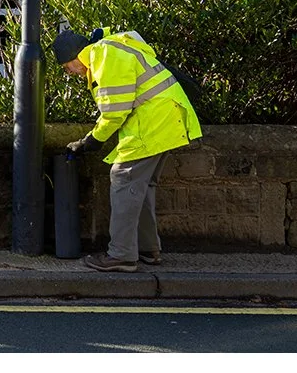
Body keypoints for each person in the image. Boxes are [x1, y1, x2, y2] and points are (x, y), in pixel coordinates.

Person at [52, 24, 202, 272]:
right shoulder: (112, 49)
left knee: (123, 178)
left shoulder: (104, 56)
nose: (71, 73)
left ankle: (121, 254)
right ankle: (147, 249)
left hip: (153, 124)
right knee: (141, 187)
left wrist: (91, 140)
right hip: (167, 121)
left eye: (68, 68)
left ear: (75, 56)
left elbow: (115, 111)